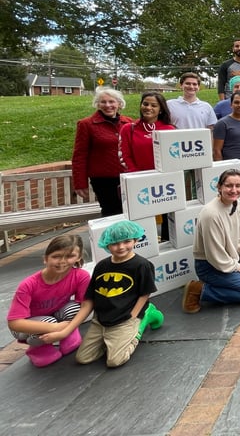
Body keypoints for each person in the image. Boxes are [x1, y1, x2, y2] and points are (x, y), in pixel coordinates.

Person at [183, 169, 240, 313]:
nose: (234, 190)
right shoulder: (211, 214)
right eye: (229, 185)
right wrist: (239, 267)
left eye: (238, 185)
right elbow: (215, 256)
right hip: (210, 265)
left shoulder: (237, 204)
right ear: (219, 187)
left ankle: (231, 279)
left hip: (230, 255)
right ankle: (199, 290)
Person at [76, 220, 161, 367]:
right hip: (101, 319)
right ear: (107, 244)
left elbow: (145, 292)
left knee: (114, 361)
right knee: (83, 358)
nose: (121, 247)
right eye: (115, 243)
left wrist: (133, 315)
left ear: (135, 239)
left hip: (126, 317)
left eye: (127, 241)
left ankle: (142, 322)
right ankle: (111, 340)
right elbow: (92, 294)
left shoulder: (142, 265)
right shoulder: (102, 266)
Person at [7, 234, 90, 366]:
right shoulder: (29, 284)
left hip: (55, 314)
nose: (62, 261)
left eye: (69, 256)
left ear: (78, 257)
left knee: (75, 308)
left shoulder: (80, 276)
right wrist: (56, 327)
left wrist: (66, 331)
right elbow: (14, 323)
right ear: (45, 259)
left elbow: (86, 305)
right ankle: (37, 348)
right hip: (26, 325)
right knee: (49, 321)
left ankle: (68, 335)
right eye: (56, 256)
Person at [72, 87, 133, 217]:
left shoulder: (129, 123)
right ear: (97, 104)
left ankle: (132, 238)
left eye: (112, 102)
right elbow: (79, 155)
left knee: (132, 212)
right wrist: (79, 183)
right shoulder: (86, 124)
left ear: (119, 103)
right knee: (112, 213)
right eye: (103, 102)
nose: (108, 105)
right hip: (104, 181)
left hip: (128, 177)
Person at [119, 91, 175, 172]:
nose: (148, 107)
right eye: (145, 104)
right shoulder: (128, 129)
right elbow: (124, 156)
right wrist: (137, 174)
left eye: (154, 105)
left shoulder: (169, 130)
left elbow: (173, 156)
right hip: (137, 178)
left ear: (161, 110)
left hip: (164, 178)